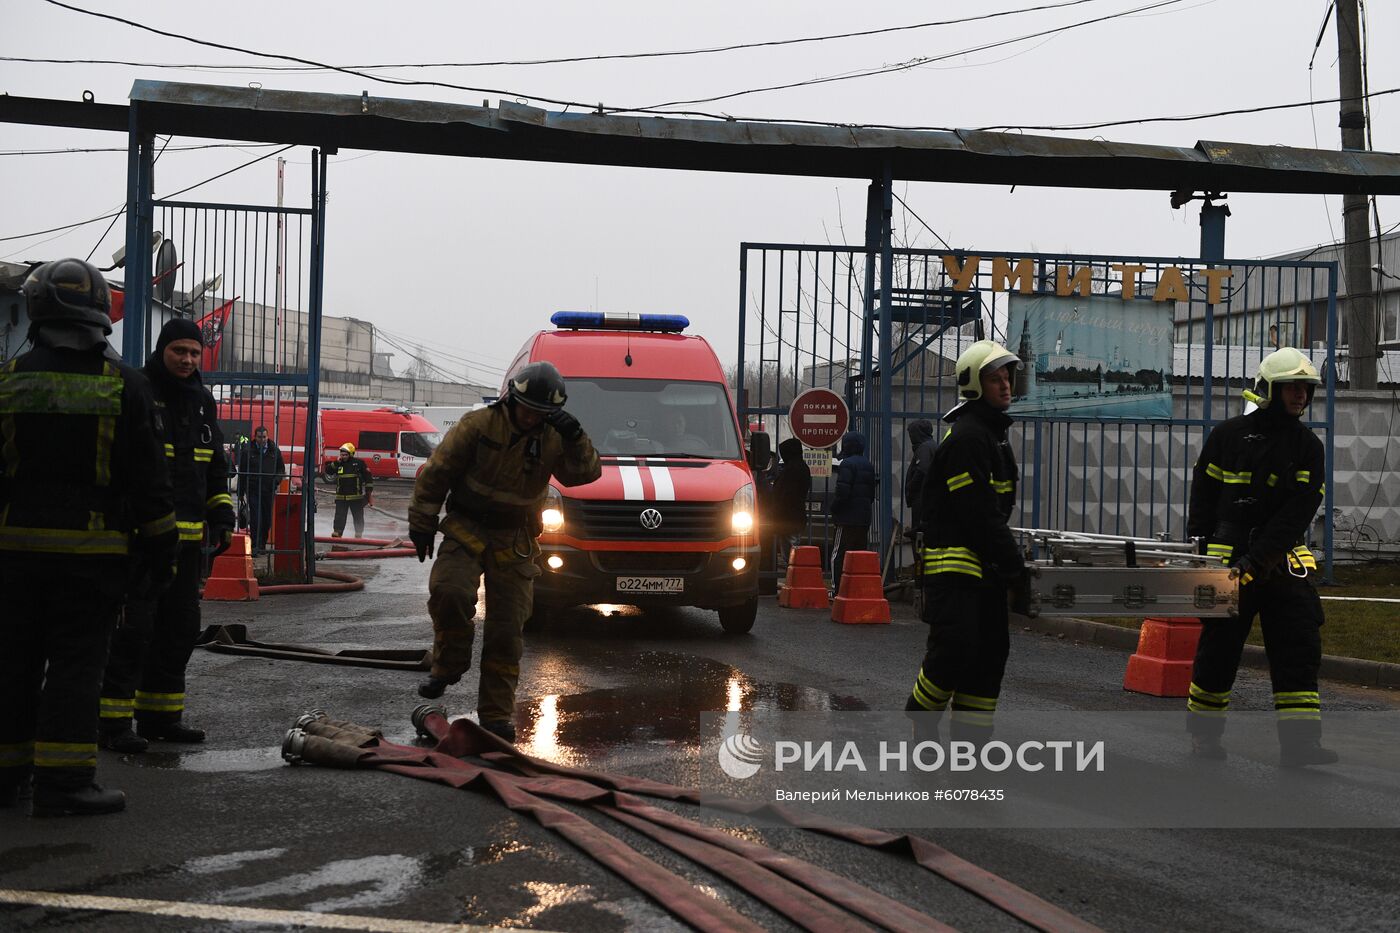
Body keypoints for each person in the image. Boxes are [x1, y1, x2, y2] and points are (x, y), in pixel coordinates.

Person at [0, 258, 177, 816]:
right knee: (76, 667)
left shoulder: (8, 380)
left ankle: (6, 779)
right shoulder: (125, 385)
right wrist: (161, 555)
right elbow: (150, 483)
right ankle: (65, 783)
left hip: (13, 555)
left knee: (12, 665)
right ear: (100, 313)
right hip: (92, 558)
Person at [408, 361, 601, 742]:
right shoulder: (478, 425)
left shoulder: (554, 436)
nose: (531, 418)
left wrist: (576, 436)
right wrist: (422, 523)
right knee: (449, 592)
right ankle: (447, 665)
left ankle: (495, 715)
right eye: (527, 409)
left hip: (515, 539)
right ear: (512, 399)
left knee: (507, 629)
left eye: (541, 413)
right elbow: (437, 473)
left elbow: (586, 474)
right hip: (466, 528)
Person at [1185, 347, 1336, 768]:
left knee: (1298, 646)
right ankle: (1204, 736)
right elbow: (1203, 496)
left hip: (1281, 561)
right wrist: (1201, 550)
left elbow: (1296, 515)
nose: (1300, 395)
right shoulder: (1227, 436)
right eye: (1292, 387)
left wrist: (1257, 561)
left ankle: (1301, 744)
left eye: (1305, 388)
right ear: (1269, 388)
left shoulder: (1308, 447)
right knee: (1219, 649)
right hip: (1226, 560)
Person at [99, 318, 235, 754]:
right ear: (162, 351)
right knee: (134, 630)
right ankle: (112, 723)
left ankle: (160, 717)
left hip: (189, 543)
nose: (188, 359)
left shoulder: (202, 400)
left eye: (194, 352)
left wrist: (223, 515)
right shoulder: (138, 390)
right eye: (179, 351)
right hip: (141, 541)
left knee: (179, 629)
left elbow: (214, 465)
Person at [903, 341, 1028, 744]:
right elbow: (978, 513)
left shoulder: (992, 435)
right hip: (955, 568)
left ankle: (972, 741)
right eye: (995, 379)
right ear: (973, 385)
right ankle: (922, 718)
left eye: (1007, 377)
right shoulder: (969, 438)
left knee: (990, 653)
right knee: (955, 647)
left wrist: (1005, 564)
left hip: (984, 566)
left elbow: (992, 514)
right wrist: (1015, 567)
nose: (1005, 385)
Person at [827, 430, 876, 593]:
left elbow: (842, 492)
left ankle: (836, 589)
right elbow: (871, 494)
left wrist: (834, 508)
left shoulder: (847, 464)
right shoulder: (868, 465)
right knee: (858, 555)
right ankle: (856, 589)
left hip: (846, 518)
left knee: (839, 554)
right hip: (863, 518)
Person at [237, 424, 284, 554]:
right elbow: (242, 472)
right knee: (256, 517)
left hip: (268, 489)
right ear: (255, 437)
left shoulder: (274, 451)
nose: (262, 440)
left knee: (266, 519)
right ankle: (255, 546)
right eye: (259, 437)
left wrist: (276, 481)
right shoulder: (248, 451)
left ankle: (262, 544)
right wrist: (241, 492)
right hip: (253, 489)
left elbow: (281, 469)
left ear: (267, 437)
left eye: (264, 437)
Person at [768, 437, 812, 564]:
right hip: (791, 517)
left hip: (789, 517)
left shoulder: (793, 469)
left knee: (791, 550)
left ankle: (793, 571)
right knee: (789, 548)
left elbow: (787, 494)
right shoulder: (797, 467)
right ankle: (791, 570)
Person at [329, 442, 373, 538]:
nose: (343, 457)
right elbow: (328, 471)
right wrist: (336, 462)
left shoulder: (359, 463)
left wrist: (368, 493)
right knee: (339, 516)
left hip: (355, 497)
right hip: (341, 497)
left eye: (345, 455)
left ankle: (358, 533)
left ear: (351, 454)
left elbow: (368, 478)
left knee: (358, 516)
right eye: (342, 454)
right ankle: (337, 532)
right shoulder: (339, 463)